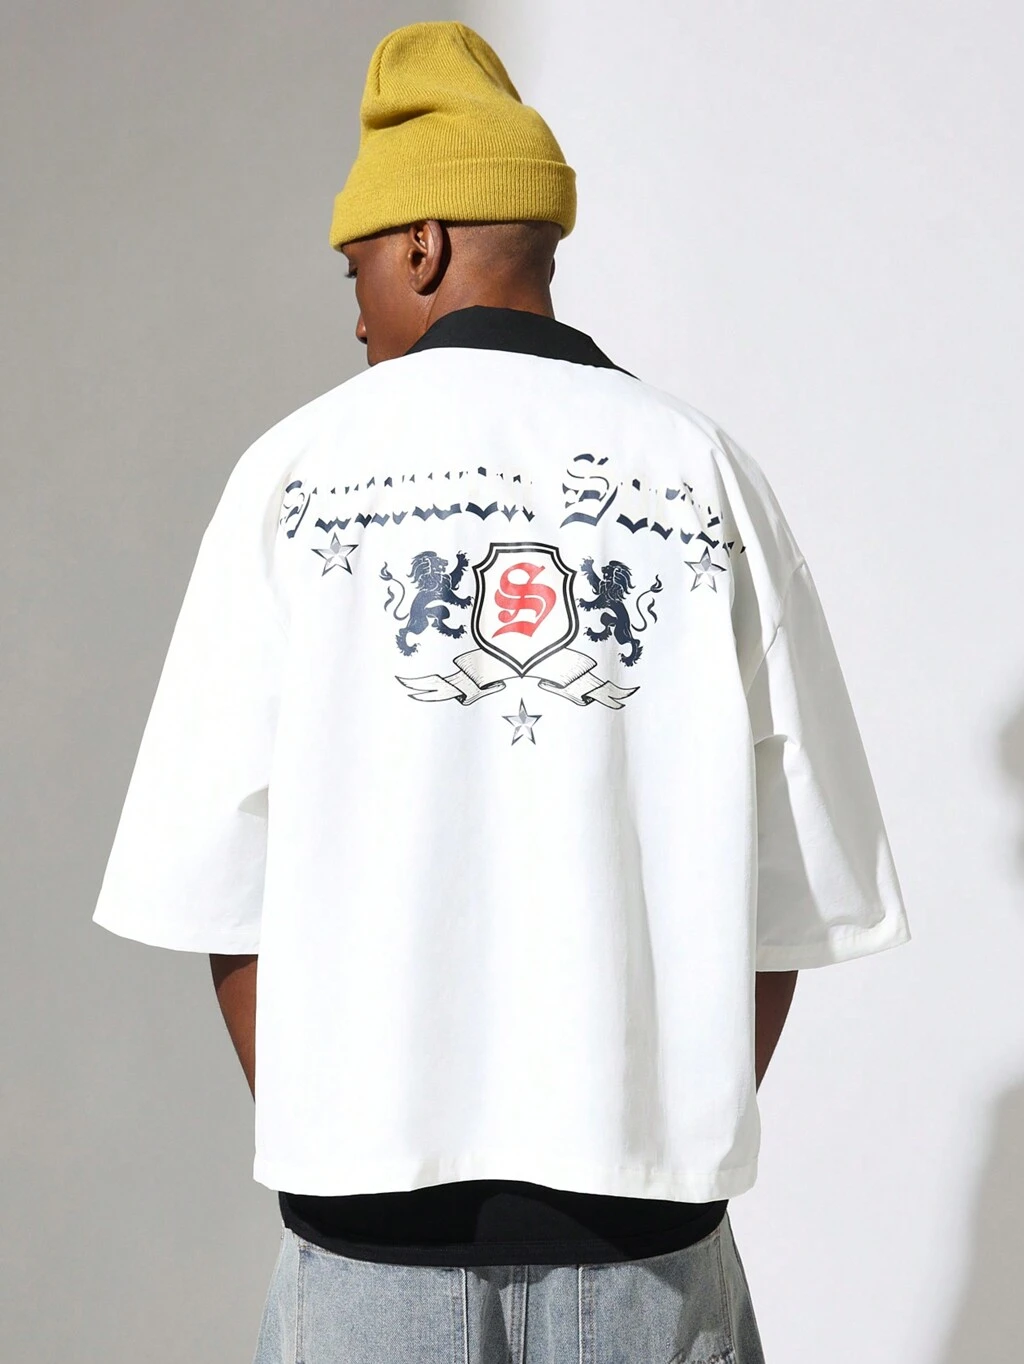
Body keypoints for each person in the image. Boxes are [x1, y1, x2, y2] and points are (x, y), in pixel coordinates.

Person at [91, 20, 912, 1364]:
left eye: (357, 266)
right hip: (646, 1265)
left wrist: (344, 1141)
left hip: (367, 1263)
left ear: (418, 244)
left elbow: (214, 885)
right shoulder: (707, 477)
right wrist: (657, 1140)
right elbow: (795, 896)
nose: (356, 308)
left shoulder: (294, 478)